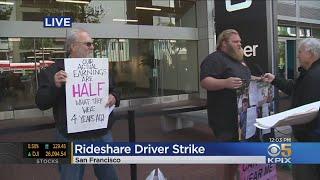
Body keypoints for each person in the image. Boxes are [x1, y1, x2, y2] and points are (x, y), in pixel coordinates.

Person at [35, 28, 120, 180]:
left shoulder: (98, 68)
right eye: (88, 44)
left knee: (110, 176)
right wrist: (55, 85)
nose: (92, 47)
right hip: (71, 137)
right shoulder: (53, 71)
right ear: (73, 46)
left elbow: (115, 90)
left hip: (101, 134)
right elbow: (41, 102)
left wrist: (113, 96)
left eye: (92, 44)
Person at [262, 38, 320, 180]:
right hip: (310, 137)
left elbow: (308, 111)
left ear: (310, 54)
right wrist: (275, 79)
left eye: (300, 52)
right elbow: (295, 88)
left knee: (304, 174)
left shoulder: (314, 76)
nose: (298, 56)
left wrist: (281, 121)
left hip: (309, 139)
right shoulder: (309, 73)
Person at [200, 29, 251, 180]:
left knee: (239, 154)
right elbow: (205, 81)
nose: (240, 45)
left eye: (240, 42)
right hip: (225, 118)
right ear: (224, 43)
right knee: (229, 155)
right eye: (236, 42)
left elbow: (244, 79)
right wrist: (225, 83)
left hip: (242, 116)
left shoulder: (237, 60)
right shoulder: (214, 59)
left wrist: (258, 79)